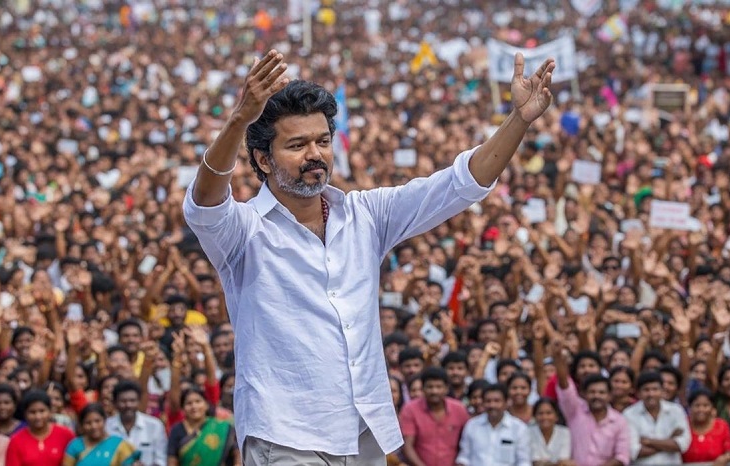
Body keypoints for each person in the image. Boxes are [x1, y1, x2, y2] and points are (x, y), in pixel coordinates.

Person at [183, 47, 555, 464]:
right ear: (263, 160)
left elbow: (459, 184)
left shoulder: (365, 215)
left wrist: (519, 120)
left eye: (323, 141)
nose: (315, 154)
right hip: (286, 435)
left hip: (364, 431)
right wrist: (240, 119)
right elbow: (204, 202)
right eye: (298, 144)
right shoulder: (243, 231)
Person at [552, 338, 630, 466]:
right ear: (584, 394)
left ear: (610, 396)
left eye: (601, 392)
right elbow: (565, 387)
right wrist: (558, 358)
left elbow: (622, 457)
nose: (596, 396)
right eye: (592, 392)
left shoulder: (619, 421)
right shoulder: (574, 410)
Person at [398, 367, 470, 466]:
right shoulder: (410, 409)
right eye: (430, 387)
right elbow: (407, 446)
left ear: (446, 388)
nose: (434, 391)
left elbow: (467, 442)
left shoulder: (459, 409)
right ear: (423, 388)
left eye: (439, 387)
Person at [623, 372, 690, 465]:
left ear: (662, 391)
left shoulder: (676, 411)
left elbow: (682, 445)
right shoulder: (629, 414)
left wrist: (648, 441)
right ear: (638, 393)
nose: (651, 394)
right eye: (646, 390)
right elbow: (633, 451)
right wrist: (669, 440)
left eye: (655, 389)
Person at [456, 383, 531, 466]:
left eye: (497, 401)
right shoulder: (472, 425)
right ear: (483, 403)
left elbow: (523, 461)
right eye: (488, 401)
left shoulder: (519, 428)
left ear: (506, 402)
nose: (492, 405)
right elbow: (464, 457)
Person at [167, 387, 239, 466]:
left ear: (206, 405)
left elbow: (237, 453)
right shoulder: (177, 430)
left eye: (198, 401)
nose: (194, 406)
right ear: (183, 409)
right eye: (189, 403)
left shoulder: (222, 427)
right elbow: (172, 460)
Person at [5, 390, 75, 466]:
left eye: (42, 411)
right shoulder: (16, 441)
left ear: (50, 411)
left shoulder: (66, 435)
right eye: (32, 412)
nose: (38, 417)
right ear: (25, 414)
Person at [104, 381, 167, 466]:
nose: (128, 405)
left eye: (132, 401)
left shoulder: (155, 426)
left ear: (139, 401)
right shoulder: (106, 426)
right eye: (123, 401)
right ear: (115, 403)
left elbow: (161, 460)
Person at [64, 403, 139, 466]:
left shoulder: (119, 444)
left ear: (105, 420)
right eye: (88, 423)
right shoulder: (75, 445)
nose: (93, 426)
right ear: (82, 425)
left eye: (97, 421)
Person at [682, 389, 730, 465]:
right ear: (690, 407)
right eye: (697, 405)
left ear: (712, 408)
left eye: (705, 405)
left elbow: (729, 453)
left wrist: (725, 458)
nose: (701, 409)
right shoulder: (683, 424)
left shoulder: (722, 426)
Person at [529, 398, 572, 466]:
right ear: (535, 416)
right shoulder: (528, 433)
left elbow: (563, 462)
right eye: (540, 413)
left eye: (549, 413)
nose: (544, 417)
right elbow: (534, 462)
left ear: (556, 416)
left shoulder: (565, 433)